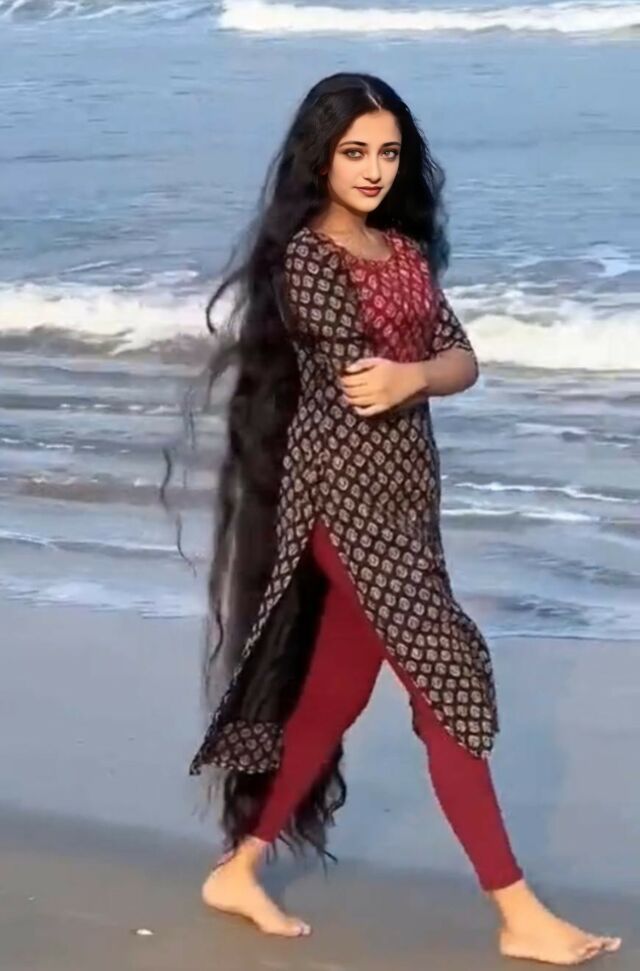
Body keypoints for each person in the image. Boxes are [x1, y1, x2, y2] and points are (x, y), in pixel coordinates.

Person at [175, 73, 622, 964]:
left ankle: (240, 867)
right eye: (355, 153)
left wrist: (415, 373)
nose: (375, 169)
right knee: (447, 678)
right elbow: (363, 375)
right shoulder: (308, 259)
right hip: (344, 502)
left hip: (409, 501)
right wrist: (412, 369)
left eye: (388, 151)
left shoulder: (406, 251)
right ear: (320, 158)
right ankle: (518, 911)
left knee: (337, 689)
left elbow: (461, 358)